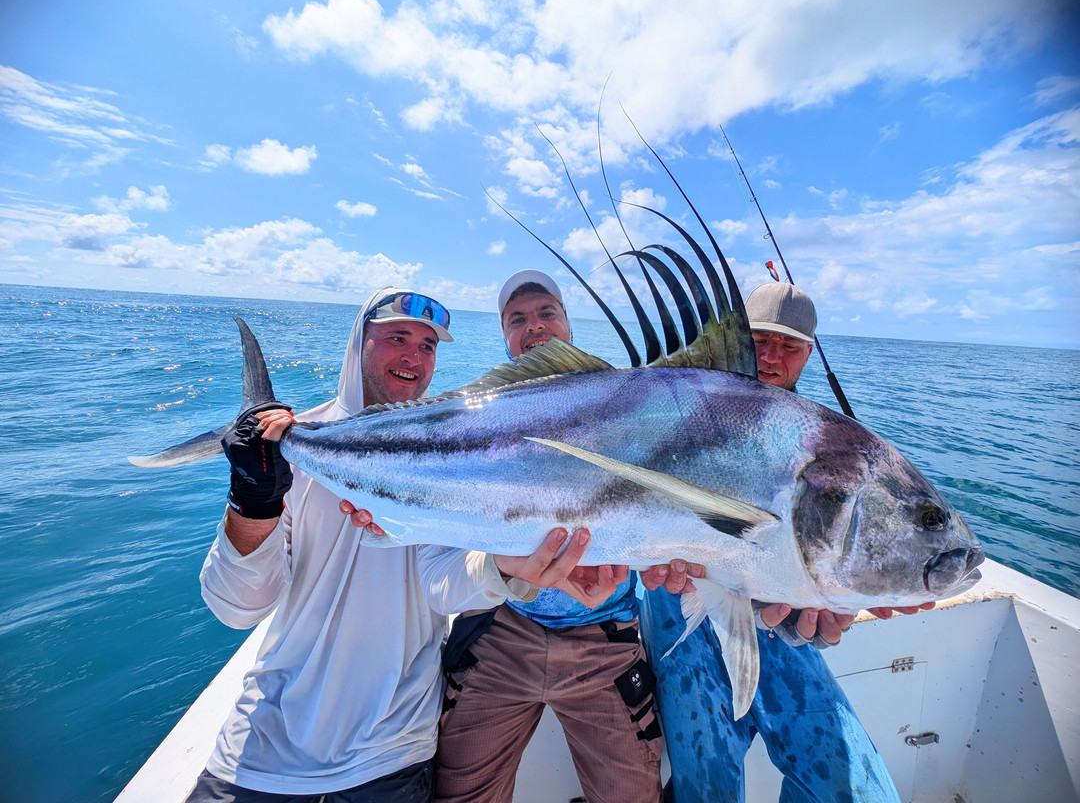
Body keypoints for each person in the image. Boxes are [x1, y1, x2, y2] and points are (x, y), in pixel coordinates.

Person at [187, 287, 623, 803]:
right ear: (359, 343)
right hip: (260, 752)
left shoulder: (452, 449)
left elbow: (440, 581)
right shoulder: (294, 447)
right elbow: (237, 609)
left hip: (392, 753)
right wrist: (252, 503)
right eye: (398, 338)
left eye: (428, 346)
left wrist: (506, 567)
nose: (414, 357)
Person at [640, 282, 929, 803]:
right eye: (760, 340)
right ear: (735, 339)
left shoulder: (829, 445)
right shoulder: (675, 401)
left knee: (857, 793)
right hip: (680, 608)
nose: (772, 357)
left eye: (789, 346)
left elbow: (806, 572)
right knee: (705, 786)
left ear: (808, 355)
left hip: (771, 628)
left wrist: (817, 615)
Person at [431, 271, 672, 803]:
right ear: (504, 335)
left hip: (603, 641)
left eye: (546, 313)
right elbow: (447, 534)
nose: (534, 326)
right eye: (518, 319)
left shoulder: (622, 404)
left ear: (566, 323)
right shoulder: (477, 415)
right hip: (500, 633)